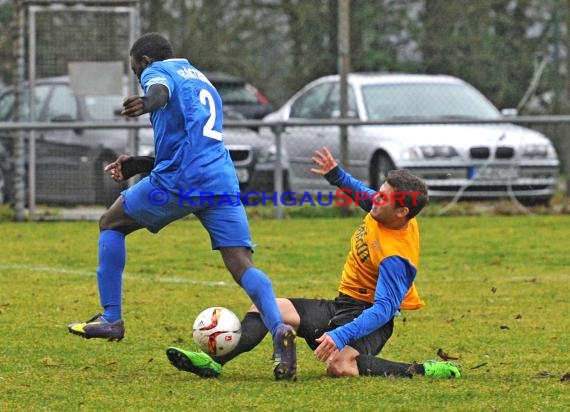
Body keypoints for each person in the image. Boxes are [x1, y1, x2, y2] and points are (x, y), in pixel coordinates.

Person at [66, 33, 297, 381]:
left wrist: (147, 102)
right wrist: (138, 164)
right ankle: (279, 329)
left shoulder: (157, 72)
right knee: (240, 262)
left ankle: (111, 317)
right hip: (219, 179)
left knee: (111, 223)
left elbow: (158, 92)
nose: (137, 76)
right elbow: (190, 141)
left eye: (135, 70)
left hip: (180, 182)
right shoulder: (201, 79)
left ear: (144, 62)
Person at [165, 147, 461, 379]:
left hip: (369, 321)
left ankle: (422, 370)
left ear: (402, 212)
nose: (375, 199)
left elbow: (383, 310)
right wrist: (336, 175)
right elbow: (365, 196)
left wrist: (341, 334)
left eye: (383, 198)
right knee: (267, 306)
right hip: (340, 306)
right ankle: (215, 362)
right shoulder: (384, 209)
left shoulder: (397, 257)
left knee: (340, 367)